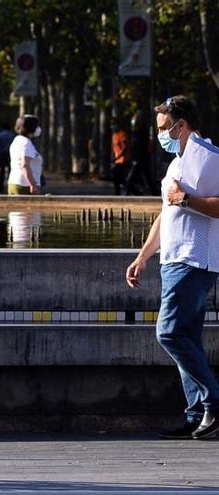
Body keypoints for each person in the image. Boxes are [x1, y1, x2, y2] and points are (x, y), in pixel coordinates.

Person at [126, 95, 219, 440]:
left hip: (194, 260)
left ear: (182, 125)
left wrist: (187, 199)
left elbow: (191, 203)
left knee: (168, 332)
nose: (161, 134)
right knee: (187, 338)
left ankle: (213, 401)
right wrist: (143, 256)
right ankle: (197, 415)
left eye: (165, 128)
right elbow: (167, 215)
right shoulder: (176, 163)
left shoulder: (209, 157)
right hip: (173, 259)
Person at [7, 115, 42, 195]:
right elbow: (25, 165)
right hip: (24, 185)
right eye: (36, 126)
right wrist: (32, 184)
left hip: (14, 182)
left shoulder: (17, 140)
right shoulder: (26, 143)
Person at [111, 122, 132, 195]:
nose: (113, 126)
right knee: (118, 178)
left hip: (124, 160)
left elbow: (124, 148)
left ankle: (119, 192)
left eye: (114, 124)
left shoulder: (122, 134)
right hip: (117, 161)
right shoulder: (114, 135)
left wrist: (117, 157)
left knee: (118, 177)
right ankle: (120, 192)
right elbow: (114, 148)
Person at [0, 122, 15, 193]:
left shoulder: (0, 135)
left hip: (2, 154)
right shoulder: (12, 135)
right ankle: (10, 186)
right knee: (11, 171)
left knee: (2, 172)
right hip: (10, 154)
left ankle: (0, 186)